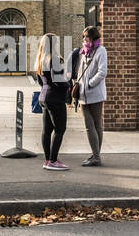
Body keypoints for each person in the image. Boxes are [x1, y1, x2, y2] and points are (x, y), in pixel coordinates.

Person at [33, 34, 71, 170]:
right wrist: (68, 84)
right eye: (56, 42)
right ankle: (53, 161)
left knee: (47, 130)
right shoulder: (54, 59)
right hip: (55, 98)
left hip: (44, 97)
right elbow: (59, 81)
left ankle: (48, 160)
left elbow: (40, 81)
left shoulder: (39, 59)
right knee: (60, 129)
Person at [73, 25, 107, 166]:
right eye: (83, 36)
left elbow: (102, 71)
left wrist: (89, 84)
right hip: (83, 94)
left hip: (95, 93)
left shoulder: (101, 51)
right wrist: (78, 82)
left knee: (95, 124)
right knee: (90, 124)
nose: (84, 38)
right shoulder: (84, 51)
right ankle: (96, 155)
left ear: (93, 37)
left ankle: (96, 156)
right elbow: (80, 70)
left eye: (87, 36)